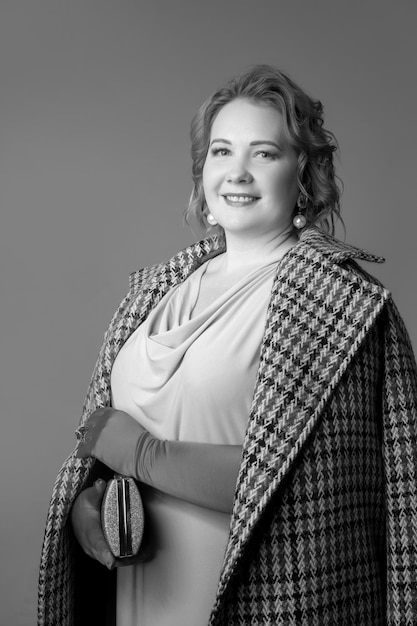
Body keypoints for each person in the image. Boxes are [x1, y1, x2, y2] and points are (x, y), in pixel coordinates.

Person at [38, 64, 417, 626]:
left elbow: (308, 491)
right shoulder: (154, 291)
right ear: (202, 171)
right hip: (140, 601)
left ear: (303, 173)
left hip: (267, 604)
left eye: (264, 153)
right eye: (222, 151)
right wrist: (89, 501)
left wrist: (141, 454)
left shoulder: (344, 307)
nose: (237, 172)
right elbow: (107, 444)